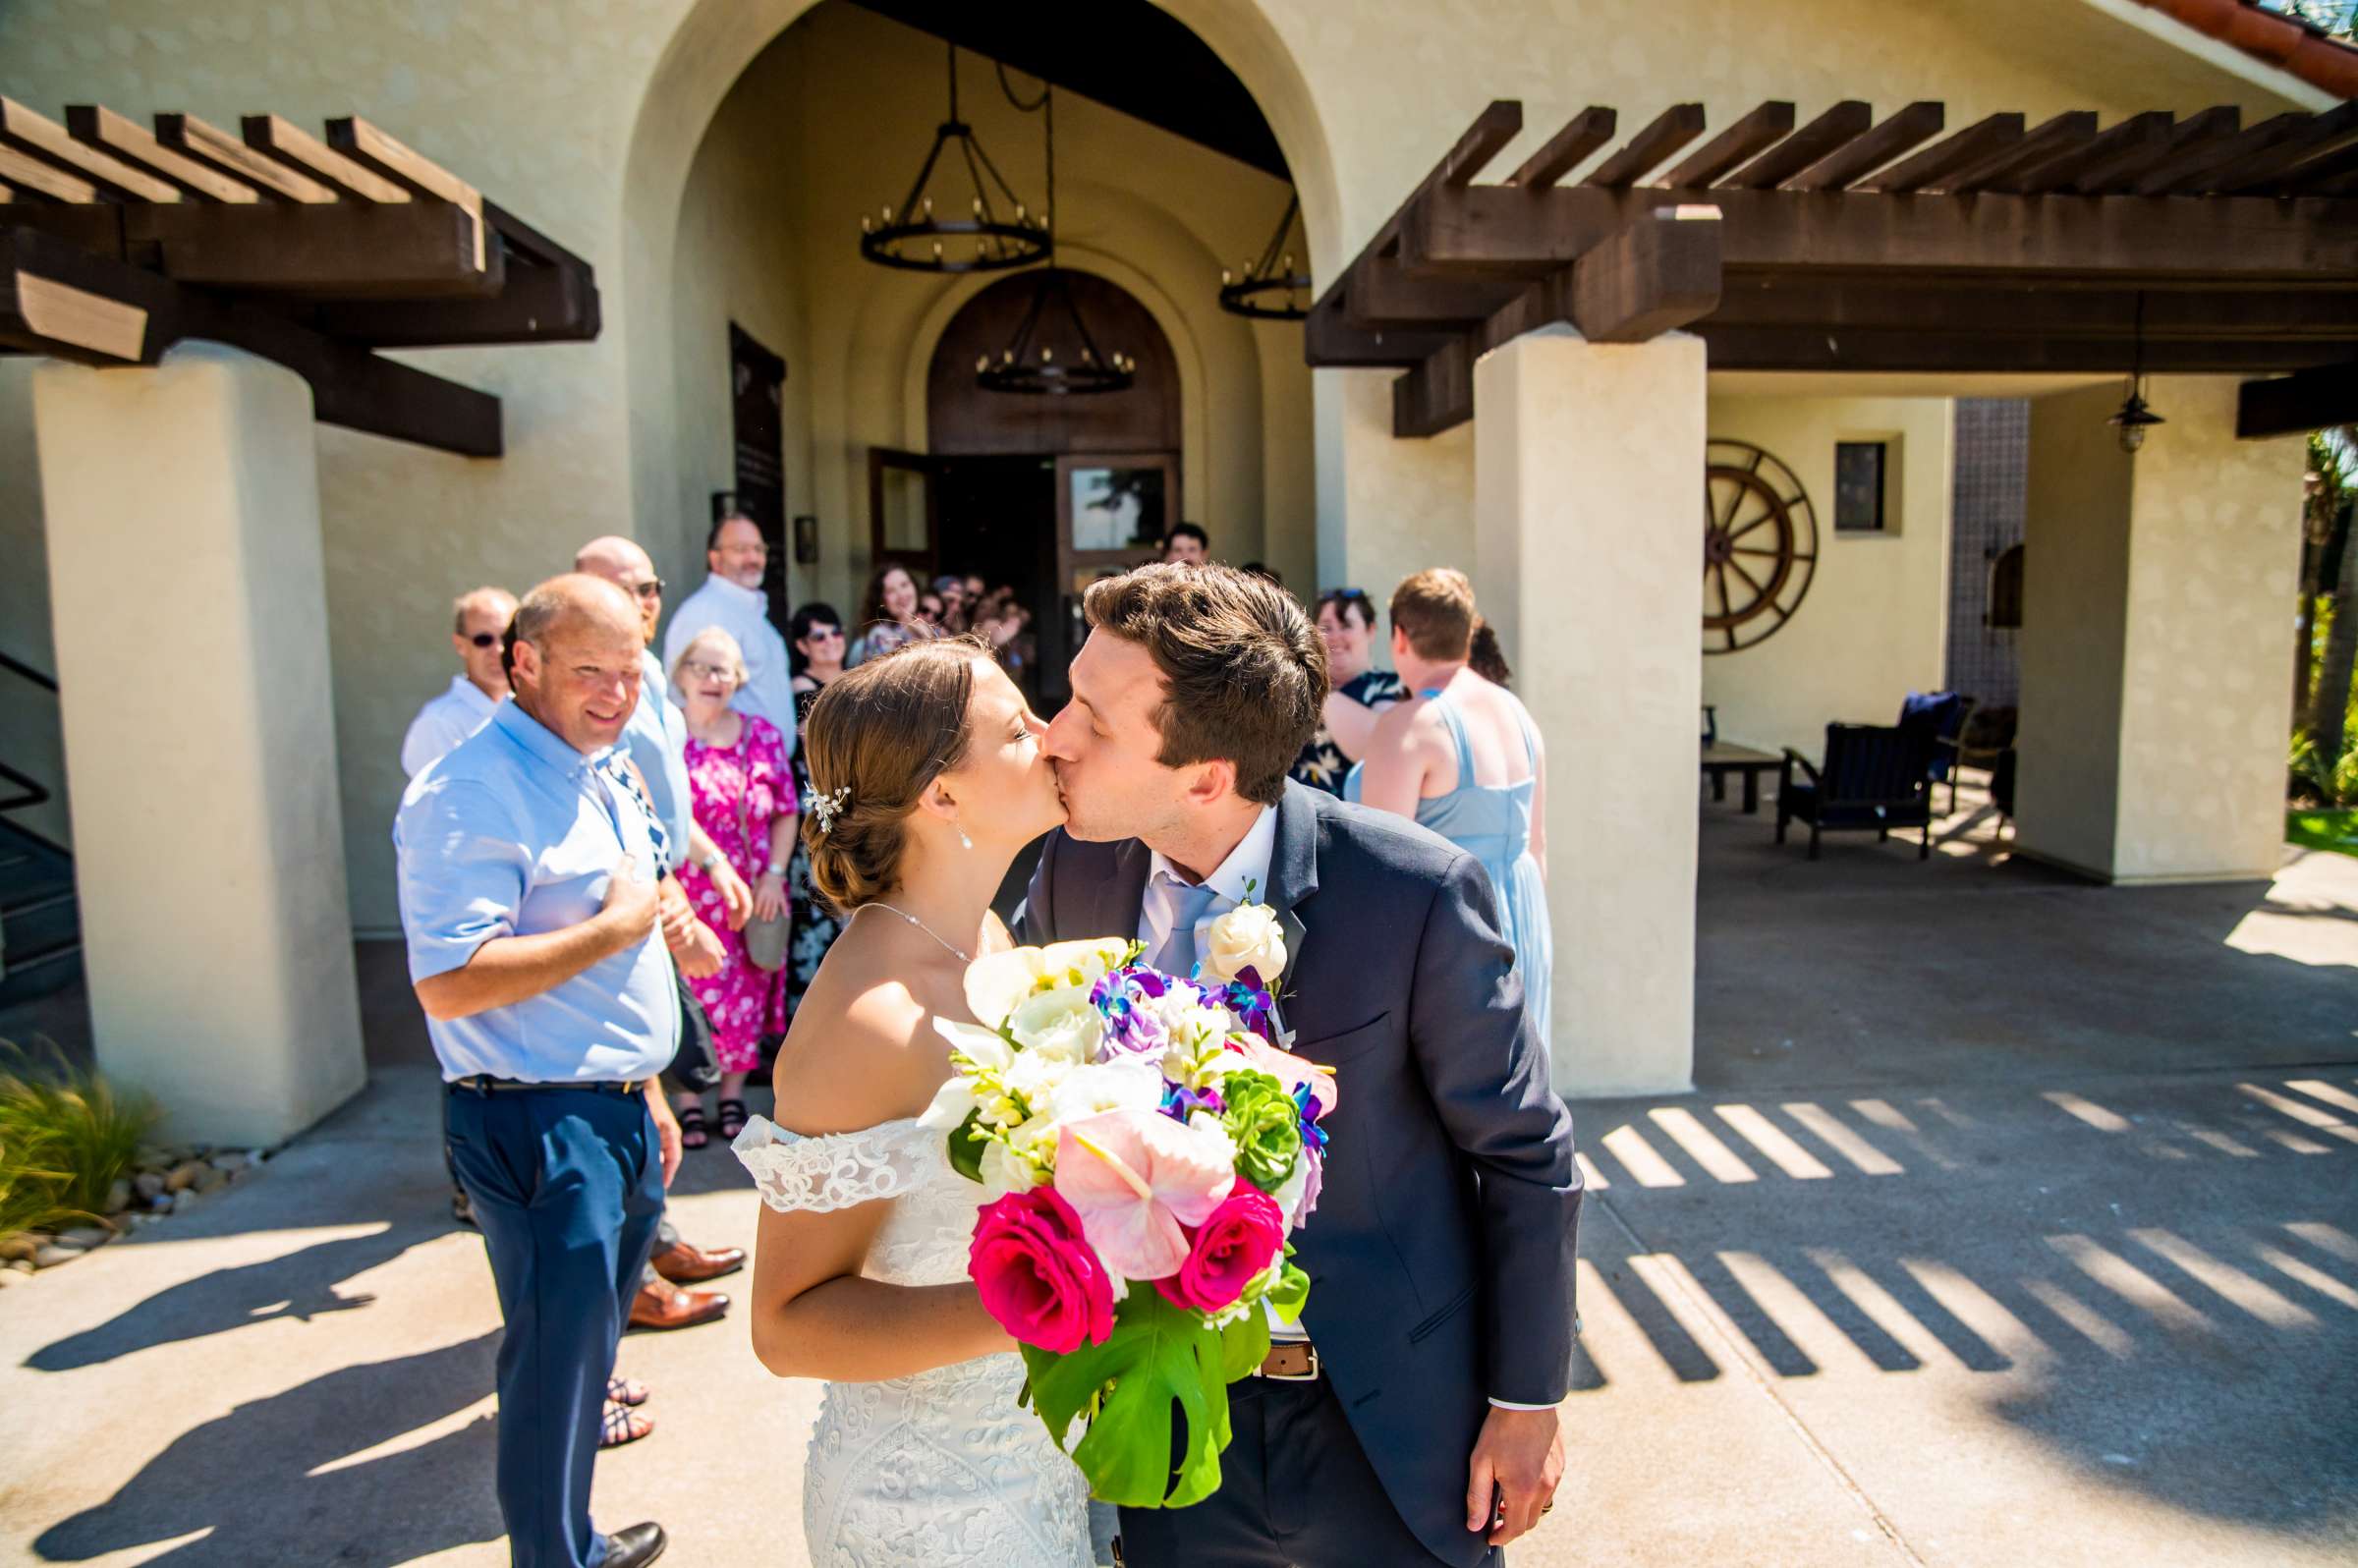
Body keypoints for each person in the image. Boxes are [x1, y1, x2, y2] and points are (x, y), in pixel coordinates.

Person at [1027, 563, 1578, 1568]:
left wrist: (1526, 1399)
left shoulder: (1410, 893)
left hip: (1393, 1427)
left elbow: (1524, 1153)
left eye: (1090, 719)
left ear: (1204, 774)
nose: (1051, 735)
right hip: (1173, 1419)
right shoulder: (1071, 870)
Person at [394, 574, 726, 1568]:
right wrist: (623, 925)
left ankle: (570, 1535)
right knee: (551, 1366)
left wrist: (651, 1085)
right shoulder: (468, 791)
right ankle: (554, 1557)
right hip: (536, 1121)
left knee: (587, 1359)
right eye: (593, 672)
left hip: (612, 1111)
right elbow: (450, 982)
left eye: (631, 672)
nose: (619, 694)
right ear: (521, 662)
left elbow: (627, 900)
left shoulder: (601, 763)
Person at [737, 638, 1088, 1567]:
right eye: (1018, 729)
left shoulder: (989, 937)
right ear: (942, 795)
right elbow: (786, 1325)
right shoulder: (869, 1021)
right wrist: (1053, 1305)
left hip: (1035, 1458)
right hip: (925, 1509)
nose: (1052, 736)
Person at [574, 536, 751, 1332]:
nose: (639, 601)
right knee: (634, 1085)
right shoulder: (593, 693)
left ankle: (657, 1241)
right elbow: (609, 817)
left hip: (667, 887)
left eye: (648, 586)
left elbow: (656, 800)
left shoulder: (646, 678)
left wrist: (705, 865)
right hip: (622, 911)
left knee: (661, 1084)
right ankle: (633, 1273)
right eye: (618, 589)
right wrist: (670, 909)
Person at [1347, 568, 1552, 1046]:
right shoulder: (1515, 711)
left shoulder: (1410, 727)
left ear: (1399, 637)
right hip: (1524, 915)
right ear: (1468, 633)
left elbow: (1383, 869)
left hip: (1454, 931)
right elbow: (1537, 845)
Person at [670, 627, 798, 1146]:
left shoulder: (761, 734)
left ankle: (730, 1097)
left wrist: (774, 874)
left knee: (745, 996)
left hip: (752, 895)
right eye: (700, 667)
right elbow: (666, 811)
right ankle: (689, 1098)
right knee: (692, 995)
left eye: (722, 669)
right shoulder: (666, 737)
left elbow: (786, 812)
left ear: (738, 679)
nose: (711, 678)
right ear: (679, 674)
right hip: (689, 895)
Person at [661, 513, 797, 753]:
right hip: (729, 769)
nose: (753, 557)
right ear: (715, 558)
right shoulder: (703, 613)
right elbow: (684, 696)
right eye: (740, 549)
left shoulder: (755, 615)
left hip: (770, 768)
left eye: (758, 548)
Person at [786, 602, 849, 1021]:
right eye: (819, 635)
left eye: (835, 631)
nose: (830, 641)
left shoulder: (856, 679)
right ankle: (810, 1021)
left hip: (855, 804)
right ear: (802, 645)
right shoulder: (800, 689)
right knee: (818, 914)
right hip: (819, 811)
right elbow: (814, 750)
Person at [1292, 587, 1405, 796]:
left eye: (1346, 626)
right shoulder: (1296, 687)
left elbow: (1375, 750)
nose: (1335, 636)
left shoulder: (1391, 687)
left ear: (1371, 631)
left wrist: (1320, 693)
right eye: (1326, 627)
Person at [401, 587, 516, 778]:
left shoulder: (535, 712)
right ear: (460, 645)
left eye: (506, 638)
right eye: (483, 640)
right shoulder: (438, 723)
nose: (498, 649)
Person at [845, 563, 923, 666]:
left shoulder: (931, 626)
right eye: (891, 591)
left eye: (904, 585)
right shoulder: (879, 636)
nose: (901, 594)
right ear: (882, 601)